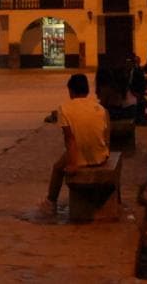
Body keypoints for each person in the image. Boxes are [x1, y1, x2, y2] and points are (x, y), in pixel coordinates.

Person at [38, 73, 109, 216]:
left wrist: (72, 164)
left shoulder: (64, 109)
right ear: (87, 90)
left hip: (80, 155)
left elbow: (69, 140)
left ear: (70, 90)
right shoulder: (100, 109)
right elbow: (106, 136)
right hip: (101, 155)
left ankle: (51, 202)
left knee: (57, 167)